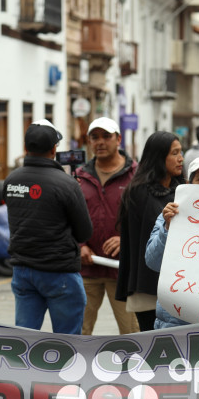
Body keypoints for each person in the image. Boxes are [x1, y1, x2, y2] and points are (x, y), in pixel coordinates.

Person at [3, 119, 92, 334]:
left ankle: (23, 368)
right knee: (67, 342)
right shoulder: (66, 184)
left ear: (26, 148)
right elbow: (84, 232)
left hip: (23, 270)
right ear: (54, 149)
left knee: (25, 339)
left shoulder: (11, 180)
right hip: (58, 271)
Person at [145, 155, 199, 329]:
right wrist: (168, 228)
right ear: (189, 184)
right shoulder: (170, 215)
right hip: (176, 321)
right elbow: (153, 262)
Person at [75, 117, 140, 335]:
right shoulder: (79, 177)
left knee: (132, 332)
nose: (100, 142)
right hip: (88, 267)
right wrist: (80, 244)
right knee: (78, 332)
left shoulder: (136, 175)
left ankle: (137, 368)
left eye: (106, 136)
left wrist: (126, 240)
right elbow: (69, 216)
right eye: (94, 137)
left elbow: (147, 217)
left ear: (118, 139)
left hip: (122, 270)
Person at [116, 131, 184, 332]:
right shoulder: (138, 192)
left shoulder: (183, 190)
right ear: (158, 157)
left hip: (178, 286)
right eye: (174, 153)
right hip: (147, 287)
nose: (180, 158)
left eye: (181, 152)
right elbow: (138, 242)